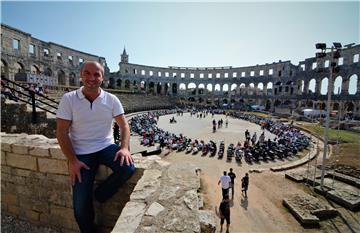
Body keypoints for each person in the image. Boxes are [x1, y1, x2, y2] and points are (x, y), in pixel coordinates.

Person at [56, 61, 135, 233]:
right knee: (80, 209)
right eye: (87, 73)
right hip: (81, 153)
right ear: (81, 75)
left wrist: (124, 148)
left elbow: (124, 126)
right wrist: (73, 161)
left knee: (128, 168)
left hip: (106, 146)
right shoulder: (69, 99)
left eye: (96, 74)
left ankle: (100, 195)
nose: (92, 78)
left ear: (103, 77)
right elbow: (61, 133)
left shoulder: (111, 99)